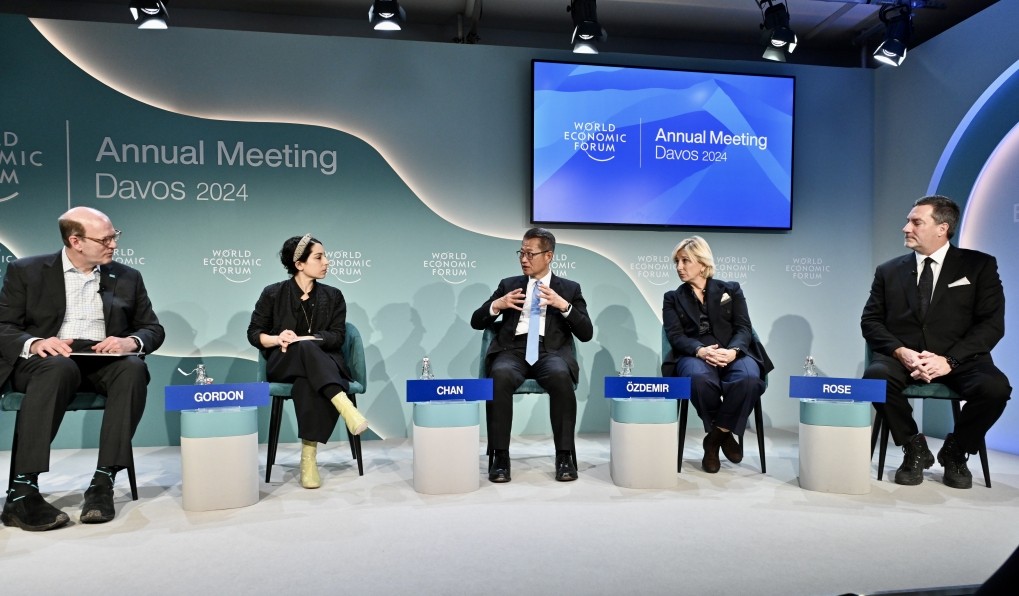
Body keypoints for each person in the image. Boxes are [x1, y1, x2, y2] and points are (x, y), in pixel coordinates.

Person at [0, 206, 164, 531]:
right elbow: (4, 325)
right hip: (45, 360)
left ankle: (102, 483)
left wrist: (130, 342)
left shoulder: (127, 276)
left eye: (115, 237)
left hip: (102, 359)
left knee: (132, 369)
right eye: (105, 239)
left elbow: (152, 328)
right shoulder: (27, 271)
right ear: (75, 241)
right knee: (59, 368)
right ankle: (22, 491)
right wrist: (35, 342)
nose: (113, 244)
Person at [862, 195, 1010, 489]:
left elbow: (991, 325)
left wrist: (949, 360)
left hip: (961, 360)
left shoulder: (979, 266)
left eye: (916, 222)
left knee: (995, 389)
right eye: (908, 221)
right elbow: (871, 321)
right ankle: (913, 446)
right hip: (904, 359)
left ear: (942, 228)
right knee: (876, 378)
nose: (906, 228)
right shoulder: (888, 271)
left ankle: (957, 449)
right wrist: (901, 352)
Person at [471, 228, 592, 483]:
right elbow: (476, 321)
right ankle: (501, 457)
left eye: (530, 254)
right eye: (521, 253)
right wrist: (497, 305)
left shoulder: (569, 289)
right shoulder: (509, 285)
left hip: (550, 352)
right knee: (499, 375)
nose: (524, 259)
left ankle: (564, 456)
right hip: (512, 351)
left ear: (548, 256)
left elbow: (586, 333)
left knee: (560, 376)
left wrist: (564, 306)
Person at [247, 234, 368, 489]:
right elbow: (254, 333)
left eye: (325, 256)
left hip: (321, 364)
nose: (327, 261)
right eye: (319, 257)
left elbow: (337, 336)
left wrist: (303, 339)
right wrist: (278, 338)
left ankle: (308, 458)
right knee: (304, 352)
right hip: (283, 361)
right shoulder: (273, 293)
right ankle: (343, 404)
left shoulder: (334, 296)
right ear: (299, 264)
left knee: (308, 379)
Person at [662, 236, 772, 474]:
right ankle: (725, 434)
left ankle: (713, 439)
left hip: (732, 352)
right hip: (694, 355)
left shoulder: (731, 289)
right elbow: (675, 336)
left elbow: (744, 328)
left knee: (749, 378)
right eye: (677, 262)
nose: (679, 267)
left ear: (702, 264)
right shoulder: (672, 298)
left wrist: (733, 352)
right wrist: (700, 351)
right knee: (698, 379)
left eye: (685, 261)